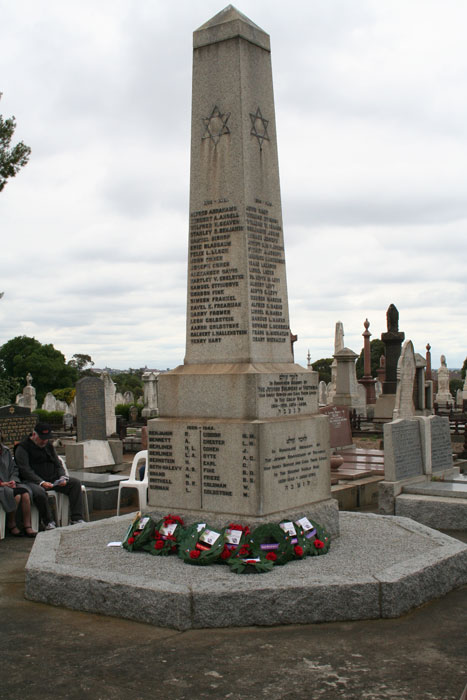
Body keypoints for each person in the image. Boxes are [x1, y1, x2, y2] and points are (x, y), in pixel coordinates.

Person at [15, 422, 85, 530]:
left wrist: (62, 477)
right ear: (34, 435)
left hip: (52, 478)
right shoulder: (23, 448)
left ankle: (76, 518)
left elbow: (58, 463)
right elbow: (25, 470)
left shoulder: (48, 445)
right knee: (39, 493)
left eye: (46, 438)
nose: (44, 441)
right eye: (42, 438)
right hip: (32, 481)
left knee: (75, 483)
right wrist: (41, 482)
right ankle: (48, 521)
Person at [0, 436, 37, 537]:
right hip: (2, 485)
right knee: (16, 496)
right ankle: (11, 523)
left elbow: (14, 468)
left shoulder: (6, 451)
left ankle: (27, 525)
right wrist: (3, 484)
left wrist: (13, 480)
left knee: (25, 494)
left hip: (9, 483)